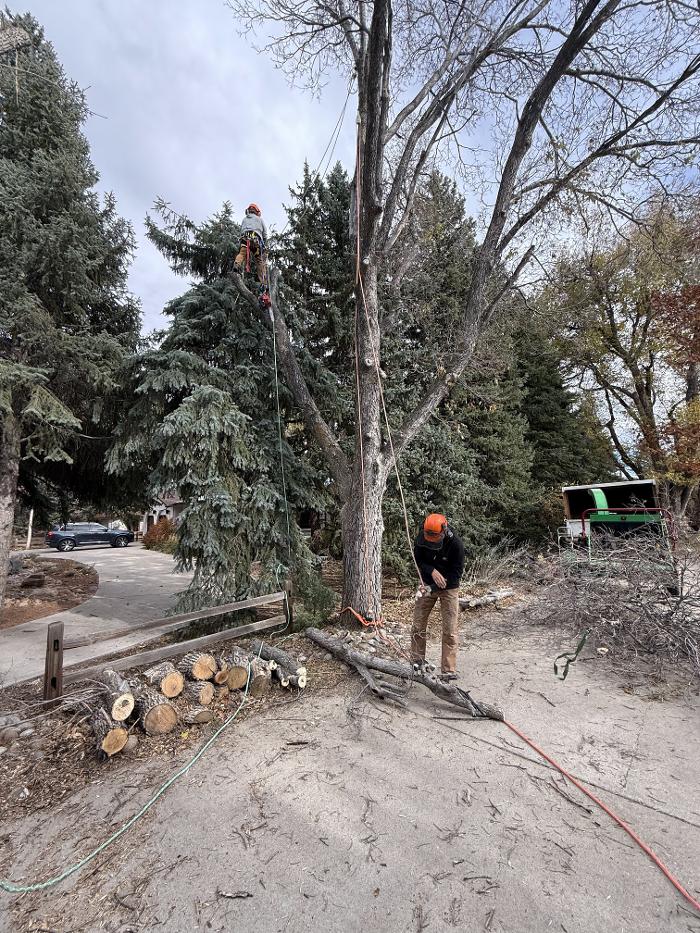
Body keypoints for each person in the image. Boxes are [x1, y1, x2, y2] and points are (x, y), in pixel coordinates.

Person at [411, 513, 465, 681]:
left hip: (449, 587)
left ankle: (448, 671)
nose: (431, 541)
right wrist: (431, 571)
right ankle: (417, 662)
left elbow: (456, 575)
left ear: (444, 531)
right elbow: (418, 560)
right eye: (429, 537)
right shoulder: (422, 537)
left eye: (435, 537)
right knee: (418, 624)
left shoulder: (456, 544)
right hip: (427, 583)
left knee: (450, 629)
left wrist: (434, 586)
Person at [234, 203, 268, 285]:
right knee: (259, 260)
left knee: (242, 253)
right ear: (257, 211)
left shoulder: (244, 219)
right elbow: (265, 232)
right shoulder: (260, 219)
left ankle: (236, 265)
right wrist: (265, 242)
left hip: (245, 238)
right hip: (256, 240)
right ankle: (263, 281)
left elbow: (241, 231)